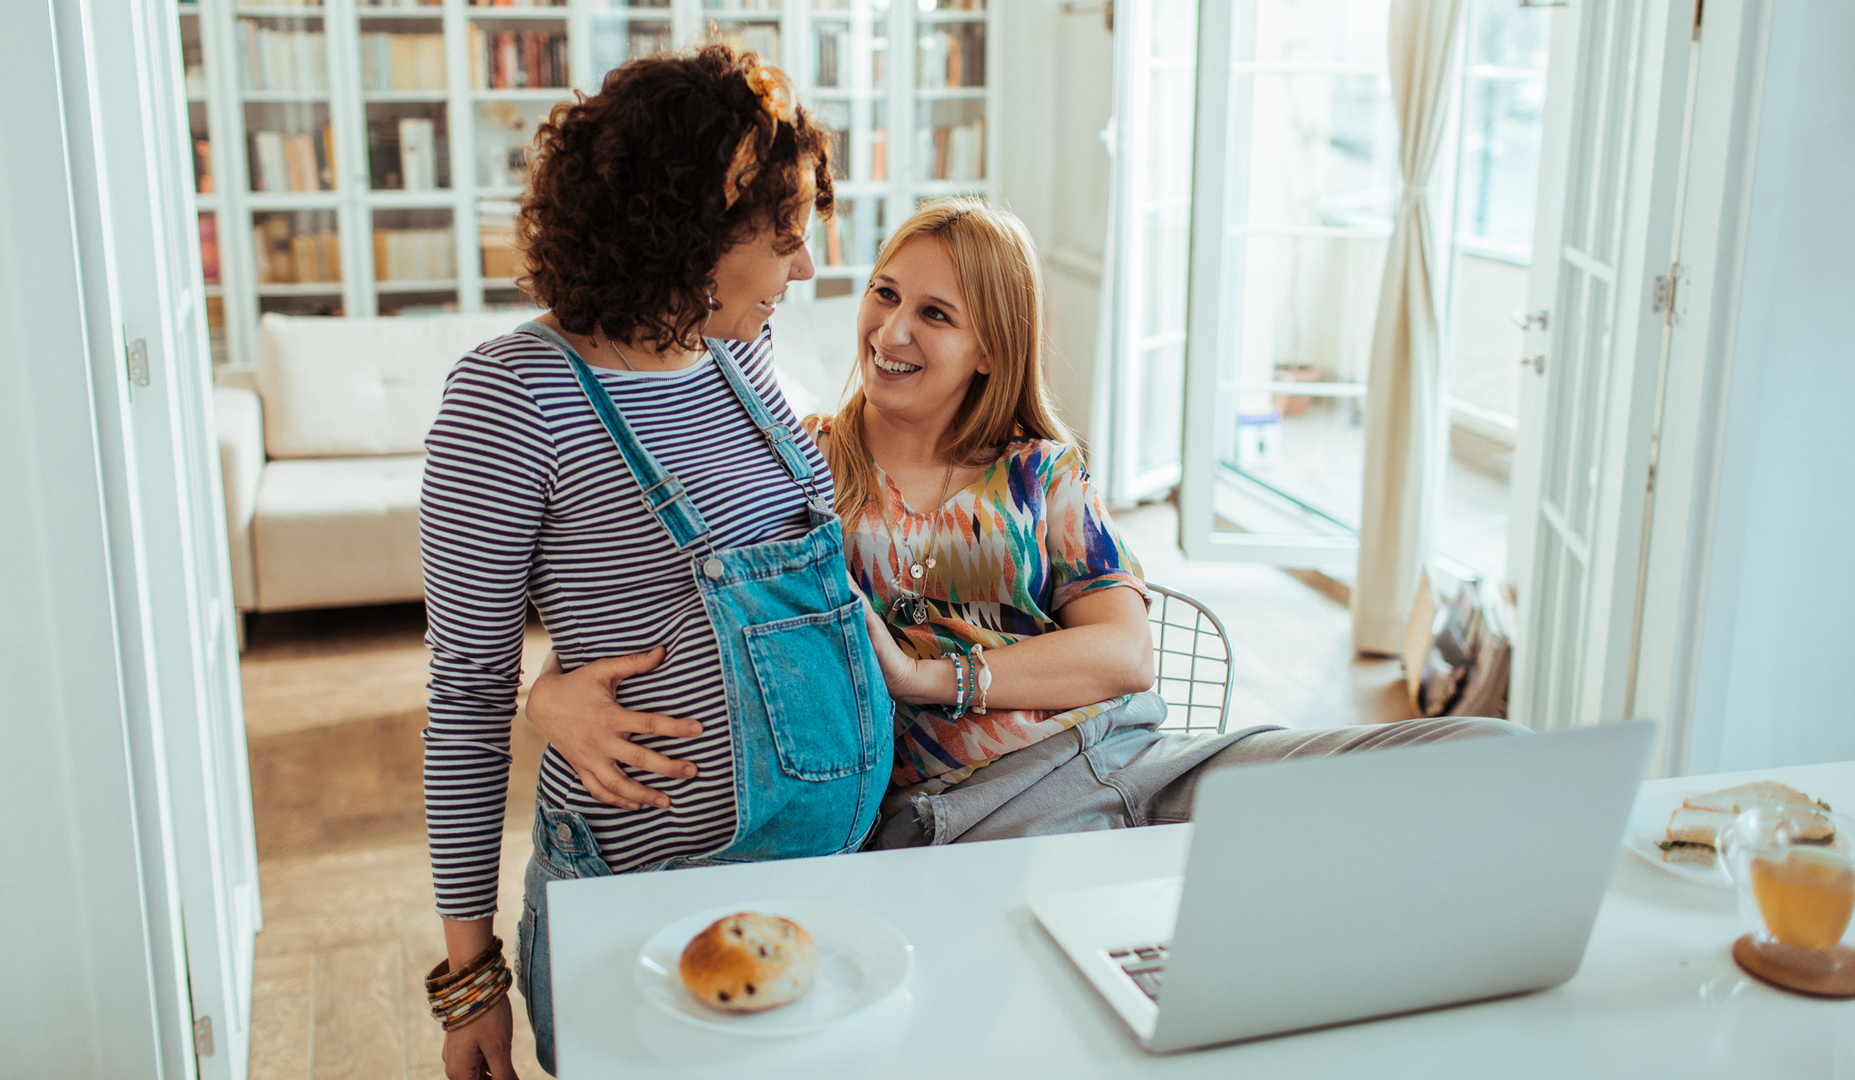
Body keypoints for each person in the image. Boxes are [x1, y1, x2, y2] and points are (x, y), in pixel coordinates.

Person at [527, 198, 1517, 855]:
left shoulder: (1041, 474)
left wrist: (934, 676)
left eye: (936, 314)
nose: (892, 330)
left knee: (1464, 757)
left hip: (1126, 760)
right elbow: (665, 604)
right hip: (945, 827)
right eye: (884, 294)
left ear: (993, 348)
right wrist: (546, 697)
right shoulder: (798, 461)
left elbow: (1127, 654)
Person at [418, 48, 889, 1079]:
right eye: (785, 234)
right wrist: (469, 984)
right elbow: (463, 700)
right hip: (652, 896)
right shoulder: (508, 401)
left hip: (833, 880)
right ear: (691, 232)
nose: (804, 267)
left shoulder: (737, 353)